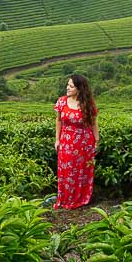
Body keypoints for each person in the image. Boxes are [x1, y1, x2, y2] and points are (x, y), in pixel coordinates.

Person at [53, 74, 99, 210]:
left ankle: (80, 198)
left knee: (81, 172)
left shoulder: (88, 104)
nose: (67, 88)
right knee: (66, 171)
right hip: (66, 142)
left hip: (84, 143)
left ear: (79, 88)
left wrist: (96, 141)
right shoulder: (62, 101)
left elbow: (93, 123)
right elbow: (58, 121)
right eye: (68, 85)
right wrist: (57, 139)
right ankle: (65, 198)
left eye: (71, 86)